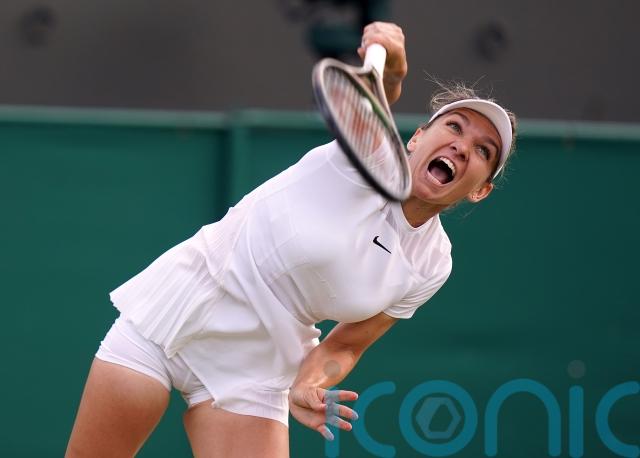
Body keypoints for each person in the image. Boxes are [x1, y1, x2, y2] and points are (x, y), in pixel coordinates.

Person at [65, 22, 517, 458]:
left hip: (259, 365)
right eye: (454, 126)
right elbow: (373, 102)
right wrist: (393, 72)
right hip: (182, 308)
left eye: (483, 150)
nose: (462, 146)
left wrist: (310, 383)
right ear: (416, 137)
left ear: (480, 190)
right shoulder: (365, 157)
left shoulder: (432, 262)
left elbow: (346, 345)